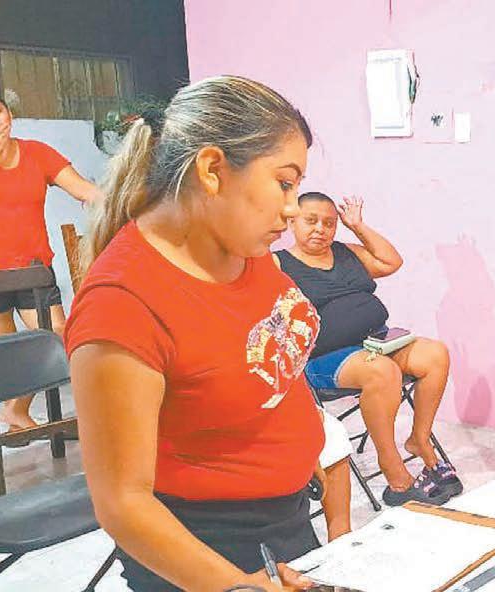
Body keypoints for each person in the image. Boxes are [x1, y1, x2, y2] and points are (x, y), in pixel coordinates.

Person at [66, 76, 336, 591]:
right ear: (212, 170)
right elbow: (123, 503)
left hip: (285, 518)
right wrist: (238, 586)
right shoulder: (122, 304)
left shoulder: (243, 248)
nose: (292, 208)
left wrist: (300, 447)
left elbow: (261, 354)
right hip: (205, 551)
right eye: (284, 183)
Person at [275, 191, 461, 506]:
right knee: (383, 371)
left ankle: (419, 438)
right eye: (311, 221)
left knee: (435, 354)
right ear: (292, 221)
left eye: (329, 223)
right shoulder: (278, 263)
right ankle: (394, 474)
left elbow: (391, 262)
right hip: (324, 358)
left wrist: (357, 226)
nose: (321, 229)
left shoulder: (345, 252)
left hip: (376, 341)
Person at [0, 89, 102, 432]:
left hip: (31, 266)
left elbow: (84, 189)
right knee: (7, 349)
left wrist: (120, 200)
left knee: (56, 335)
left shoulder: (37, 152)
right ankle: (16, 415)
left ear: (9, 114)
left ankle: (14, 410)